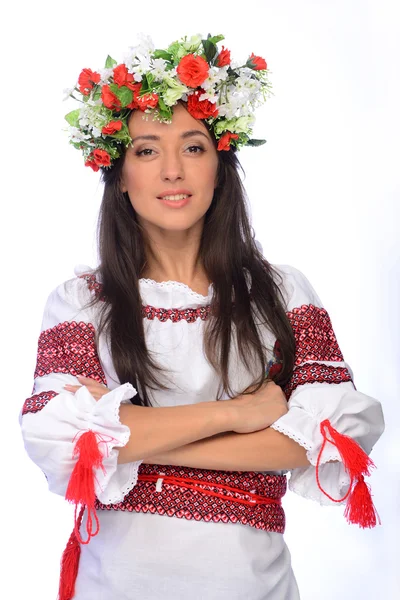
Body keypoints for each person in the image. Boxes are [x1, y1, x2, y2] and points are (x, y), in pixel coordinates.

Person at [19, 33, 385, 600]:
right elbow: (61, 438)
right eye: (146, 150)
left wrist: (135, 437)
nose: (172, 171)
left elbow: (319, 439)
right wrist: (243, 413)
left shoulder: (281, 294)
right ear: (118, 172)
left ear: (221, 164)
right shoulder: (81, 302)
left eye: (193, 147)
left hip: (250, 586)